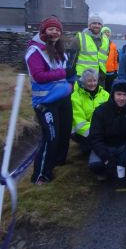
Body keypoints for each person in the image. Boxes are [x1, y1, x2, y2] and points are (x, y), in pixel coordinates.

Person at [25, 16, 74, 184]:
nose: (55, 32)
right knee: (50, 136)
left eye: (58, 29)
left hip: (63, 98)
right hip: (46, 102)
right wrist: (64, 74)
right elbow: (38, 76)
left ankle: (57, 162)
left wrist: (71, 83)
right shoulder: (35, 51)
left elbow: (66, 71)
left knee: (64, 132)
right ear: (43, 31)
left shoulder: (58, 48)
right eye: (51, 29)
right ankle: (40, 174)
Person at [88, 80, 126, 180]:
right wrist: (106, 158)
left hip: (124, 145)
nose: (122, 98)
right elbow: (95, 138)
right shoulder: (100, 111)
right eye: (119, 94)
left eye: (125, 95)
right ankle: (106, 171)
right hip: (106, 146)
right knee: (95, 164)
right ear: (113, 94)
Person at [71, 68, 109, 154]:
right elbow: (79, 122)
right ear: (84, 82)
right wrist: (96, 133)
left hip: (101, 130)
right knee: (88, 149)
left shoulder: (105, 95)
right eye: (89, 81)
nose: (92, 84)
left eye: (94, 80)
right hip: (84, 132)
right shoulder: (75, 97)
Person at [70, 14, 109, 84]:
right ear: (89, 25)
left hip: (100, 76)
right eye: (94, 23)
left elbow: (105, 58)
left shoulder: (106, 39)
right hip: (83, 76)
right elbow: (72, 60)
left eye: (99, 24)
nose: (97, 25)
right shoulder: (80, 37)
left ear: (102, 26)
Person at [101, 26, 119, 92]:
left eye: (108, 32)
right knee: (102, 88)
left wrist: (115, 70)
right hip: (102, 71)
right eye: (104, 32)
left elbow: (115, 59)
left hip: (111, 72)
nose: (106, 33)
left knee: (110, 89)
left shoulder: (113, 45)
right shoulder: (99, 44)